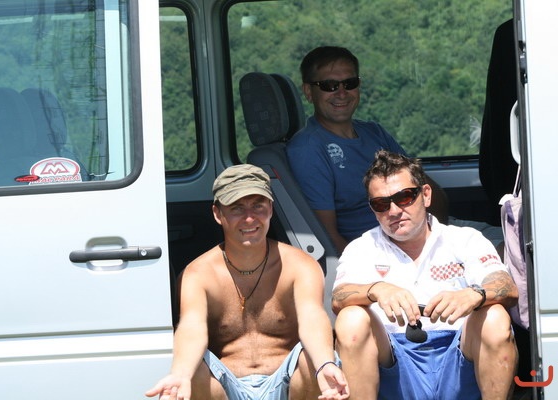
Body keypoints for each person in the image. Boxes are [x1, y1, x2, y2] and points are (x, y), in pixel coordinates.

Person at [145, 164, 349, 400]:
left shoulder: (300, 265)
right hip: (226, 386)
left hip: (287, 384)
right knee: (192, 371)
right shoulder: (198, 273)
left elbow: (312, 316)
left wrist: (325, 364)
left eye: (258, 206)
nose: (250, 218)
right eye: (237, 208)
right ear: (217, 214)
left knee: (313, 360)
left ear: (270, 208)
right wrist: (180, 374)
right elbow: (192, 327)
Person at [331, 150, 518, 400]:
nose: (394, 211)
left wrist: (474, 295)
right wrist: (376, 290)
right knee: (351, 318)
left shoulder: (465, 239)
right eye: (381, 204)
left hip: (459, 354)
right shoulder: (361, 248)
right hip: (394, 360)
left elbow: (507, 287)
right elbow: (338, 298)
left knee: (494, 315)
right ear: (372, 209)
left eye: (404, 197)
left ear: (426, 195)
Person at [286, 46, 448, 255]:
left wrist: (438, 237)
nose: (341, 93)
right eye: (329, 85)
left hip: (425, 237)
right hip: (384, 255)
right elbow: (327, 236)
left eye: (350, 83)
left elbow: (423, 184)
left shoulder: (374, 132)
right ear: (309, 92)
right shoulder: (307, 150)